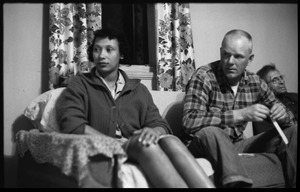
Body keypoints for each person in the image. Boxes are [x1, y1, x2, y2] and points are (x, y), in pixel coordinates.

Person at [56, 27, 214, 188]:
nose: (101, 55)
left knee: (171, 141)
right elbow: (71, 124)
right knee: (145, 145)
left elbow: (161, 124)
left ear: (121, 54)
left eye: (109, 50)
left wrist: (153, 131)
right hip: (104, 149)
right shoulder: (80, 84)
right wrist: (110, 143)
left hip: (132, 145)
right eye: (97, 50)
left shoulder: (139, 90)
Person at [182, 29, 297, 188]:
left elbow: (289, 120)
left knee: (294, 132)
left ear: (250, 59)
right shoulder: (204, 76)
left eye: (238, 57)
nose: (230, 61)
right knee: (212, 131)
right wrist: (239, 115)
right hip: (204, 145)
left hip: (236, 146)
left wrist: (282, 112)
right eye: (226, 54)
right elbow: (189, 122)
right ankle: (236, 182)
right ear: (220, 52)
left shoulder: (255, 82)